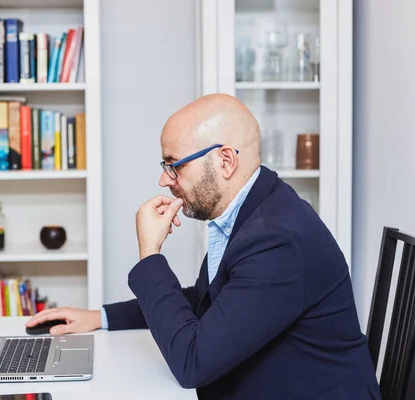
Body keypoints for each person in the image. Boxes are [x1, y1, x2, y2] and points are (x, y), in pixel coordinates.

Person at [26, 94, 382, 399]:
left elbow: (192, 363)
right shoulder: (253, 210)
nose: (164, 180)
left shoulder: (276, 239)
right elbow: (205, 300)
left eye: (174, 166)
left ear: (225, 161)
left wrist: (150, 254)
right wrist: (100, 318)